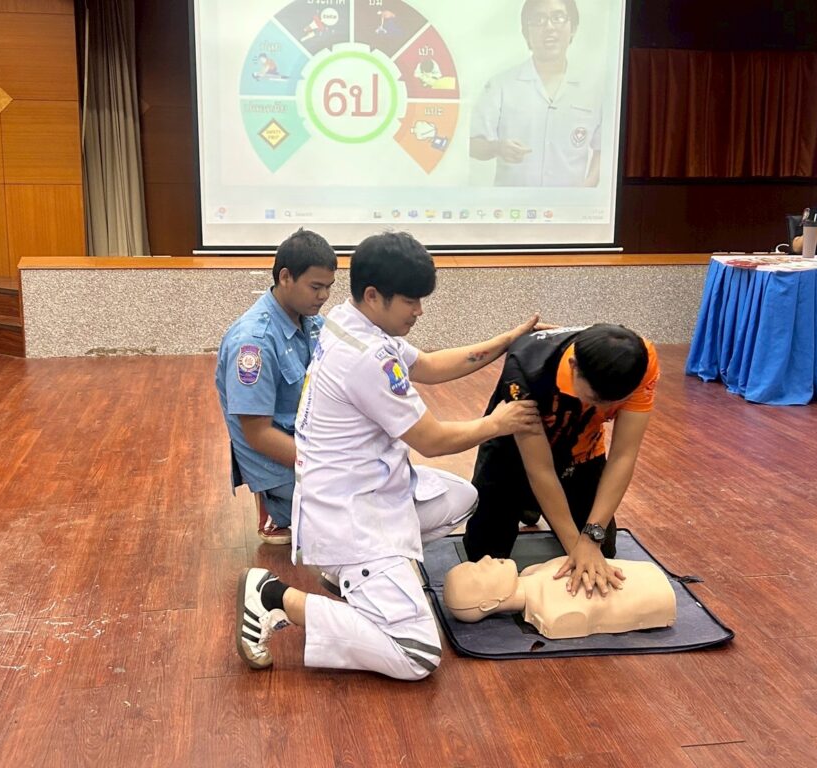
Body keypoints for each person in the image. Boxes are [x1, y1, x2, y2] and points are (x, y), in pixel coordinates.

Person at [236, 231, 544, 680]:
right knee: (418, 656)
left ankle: (357, 580)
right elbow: (432, 440)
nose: (419, 311)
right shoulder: (367, 357)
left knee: (463, 496)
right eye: (410, 301)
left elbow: (431, 366)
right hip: (351, 517)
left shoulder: (349, 319)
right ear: (373, 295)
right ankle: (273, 597)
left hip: (368, 490)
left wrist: (508, 340)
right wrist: (499, 423)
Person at [463, 324, 660, 599]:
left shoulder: (640, 361)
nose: (604, 409)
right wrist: (575, 548)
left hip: (580, 449)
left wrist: (590, 539)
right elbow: (540, 469)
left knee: (603, 553)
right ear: (573, 366)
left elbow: (623, 456)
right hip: (513, 452)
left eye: (614, 402)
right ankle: (527, 504)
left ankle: (534, 506)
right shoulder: (525, 369)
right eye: (595, 399)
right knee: (483, 560)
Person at [215, 229, 336, 545]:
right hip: (278, 460)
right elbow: (258, 435)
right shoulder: (253, 342)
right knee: (363, 502)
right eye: (316, 287)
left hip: (308, 439)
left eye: (329, 287)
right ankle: (275, 506)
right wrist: (329, 465)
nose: (324, 296)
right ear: (285, 277)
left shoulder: (311, 321)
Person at [469, 0, 601, 187]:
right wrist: (496, 147)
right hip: (512, 204)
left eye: (558, 17)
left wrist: (587, 188)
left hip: (569, 203)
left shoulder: (592, 89)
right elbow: (472, 144)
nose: (549, 27)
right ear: (526, 33)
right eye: (539, 19)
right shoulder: (500, 85)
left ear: (573, 28)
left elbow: (603, 148)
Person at [443, 555, 676, 638]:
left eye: (475, 563)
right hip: (659, 595)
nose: (485, 559)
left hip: (644, 574)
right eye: (479, 572)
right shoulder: (552, 614)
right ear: (489, 604)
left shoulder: (531, 571)